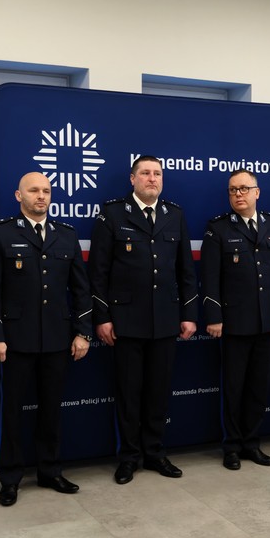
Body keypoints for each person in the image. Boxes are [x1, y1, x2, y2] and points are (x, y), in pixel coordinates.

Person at [0, 172, 92, 507]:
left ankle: (49, 471)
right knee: (12, 411)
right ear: (19, 196)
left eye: (46, 191)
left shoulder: (66, 235)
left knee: (51, 409)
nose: (41, 196)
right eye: (33, 191)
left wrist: (83, 331)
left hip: (57, 338)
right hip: (15, 340)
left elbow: (81, 289)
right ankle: (10, 478)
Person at [89, 155, 197, 485]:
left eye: (157, 174)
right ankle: (129, 457)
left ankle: (155, 452)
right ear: (132, 179)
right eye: (146, 173)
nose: (152, 178)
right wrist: (103, 316)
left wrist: (189, 314)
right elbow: (98, 271)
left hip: (165, 320)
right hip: (126, 320)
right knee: (129, 393)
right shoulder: (112, 214)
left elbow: (185, 270)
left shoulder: (174, 214)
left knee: (158, 392)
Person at [201, 169, 270, 469]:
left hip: (267, 321)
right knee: (234, 388)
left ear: (257, 192)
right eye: (232, 190)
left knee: (258, 387)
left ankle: (252, 443)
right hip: (234, 322)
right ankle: (231, 446)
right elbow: (210, 277)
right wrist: (214, 316)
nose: (238, 194)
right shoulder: (218, 228)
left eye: (243, 188)